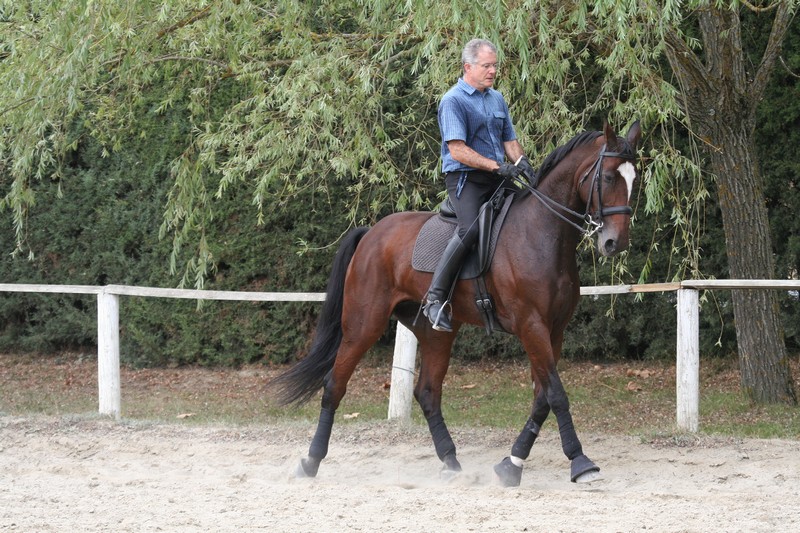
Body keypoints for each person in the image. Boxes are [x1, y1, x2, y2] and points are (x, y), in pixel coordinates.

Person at [423, 38, 534, 332]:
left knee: (528, 215)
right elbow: (458, 150)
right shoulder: (453, 101)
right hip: (466, 180)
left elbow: (509, 141)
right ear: (468, 67)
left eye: (494, 65)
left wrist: (523, 163)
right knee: (469, 230)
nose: (493, 71)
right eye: (486, 65)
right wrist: (498, 166)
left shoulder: (497, 99)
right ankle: (434, 299)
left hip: (498, 177)